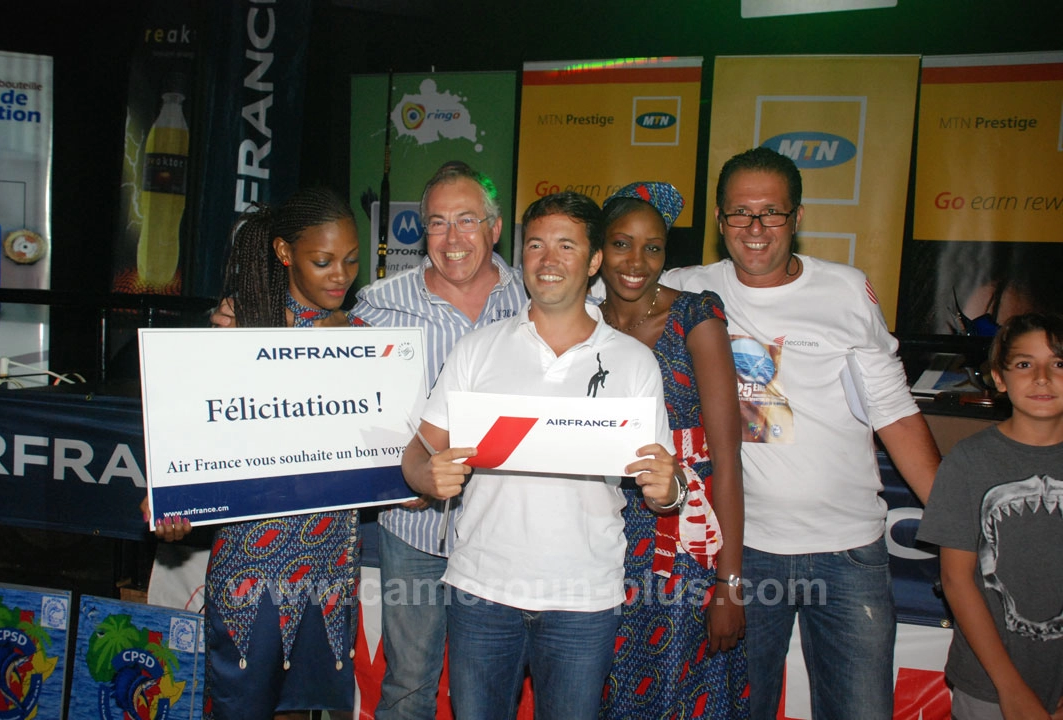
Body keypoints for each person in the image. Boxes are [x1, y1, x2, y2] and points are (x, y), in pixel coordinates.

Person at [211, 162, 529, 718]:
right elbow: (211, 421)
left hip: (492, 530)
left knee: (489, 691)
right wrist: (169, 489)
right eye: (436, 222)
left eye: (467, 220)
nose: (452, 238)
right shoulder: (370, 312)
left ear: (495, 227)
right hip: (386, 533)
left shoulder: (533, 301)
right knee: (402, 684)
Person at [662, 146, 941, 720]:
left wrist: (955, 523)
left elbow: (893, 410)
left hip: (847, 553)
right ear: (719, 221)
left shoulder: (844, 290)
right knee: (739, 710)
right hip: (744, 551)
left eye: (772, 212)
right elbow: (595, 301)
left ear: (798, 217)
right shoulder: (685, 289)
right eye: (740, 213)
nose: (756, 228)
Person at [401, 191, 685, 719]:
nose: (547, 261)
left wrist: (668, 488)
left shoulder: (634, 362)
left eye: (565, 246)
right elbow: (418, 451)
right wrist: (425, 475)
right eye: (535, 245)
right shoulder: (478, 348)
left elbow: (666, 491)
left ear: (594, 259)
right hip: (481, 592)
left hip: (584, 600)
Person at [149, 188, 363, 720]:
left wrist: (408, 480)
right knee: (241, 704)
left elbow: (383, 446)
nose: (341, 275)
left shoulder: (366, 341)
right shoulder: (238, 328)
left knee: (304, 708)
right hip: (254, 558)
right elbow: (193, 435)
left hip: (331, 559)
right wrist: (167, 498)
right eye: (323, 261)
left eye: (352, 261)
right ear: (285, 253)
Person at [597, 181, 749, 719]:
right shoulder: (585, 322)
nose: (637, 261)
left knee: (673, 691)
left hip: (684, 539)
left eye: (654, 247)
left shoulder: (696, 317)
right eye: (621, 243)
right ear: (597, 249)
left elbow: (727, 463)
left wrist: (729, 585)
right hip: (603, 531)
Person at [917, 312, 1063, 720]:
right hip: (988, 685)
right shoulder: (969, 462)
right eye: (1023, 364)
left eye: (1058, 363)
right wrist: (1009, 687)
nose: (1041, 377)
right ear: (999, 378)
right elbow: (956, 578)